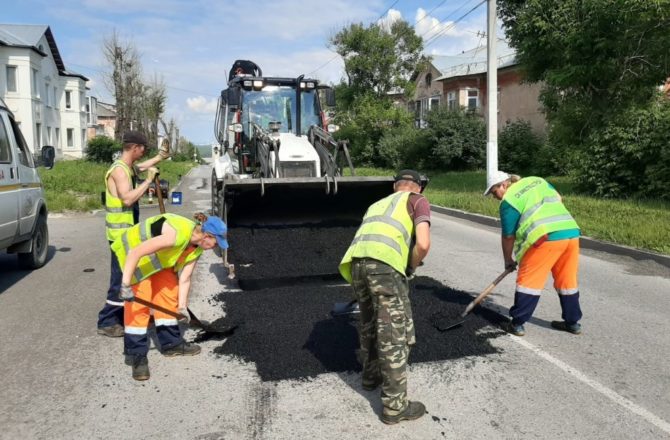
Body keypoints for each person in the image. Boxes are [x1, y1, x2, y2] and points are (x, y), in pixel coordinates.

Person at [339, 169, 431, 425]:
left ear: (394, 187)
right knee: (393, 334)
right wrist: (411, 267)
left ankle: (370, 377)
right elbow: (422, 244)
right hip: (384, 268)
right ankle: (394, 407)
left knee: (369, 324)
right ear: (418, 187)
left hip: (357, 264)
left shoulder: (377, 203)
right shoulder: (417, 200)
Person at [114, 212, 229, 380]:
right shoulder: (176, 235)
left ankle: (171, 343)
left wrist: (182, 308)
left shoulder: (196, 249)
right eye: (215, 243)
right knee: (140, 305)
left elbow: (185, 278)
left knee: (169, 293)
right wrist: (124, 285)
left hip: (158, 259)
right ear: (207, 235)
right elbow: (135, 252)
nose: (215, 247)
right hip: (134, 255)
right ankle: (136, 354)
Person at [484, 171, 583, 337]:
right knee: (567, 281)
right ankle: (572, 323)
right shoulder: (536, 180)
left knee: (529, 282)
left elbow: (508, 235)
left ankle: (517, 324)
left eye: (494, 192)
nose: (495, 197)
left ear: (504, 184)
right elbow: (558, 197)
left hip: (545, 238)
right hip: (570, 232)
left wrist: (508, 259)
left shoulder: (509, 201)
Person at [97, 131, 170, 337]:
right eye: (143, 148)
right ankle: (107, 321)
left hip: (127, 233)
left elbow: (140, 167)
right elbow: (127, 199)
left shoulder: (126, 167)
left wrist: (160, 157)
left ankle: (128, 315)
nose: (144, 151)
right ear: (135, 147)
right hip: (119, 235)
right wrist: (147, 182)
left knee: (132, 275)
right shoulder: (119, 171)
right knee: (120, 278)